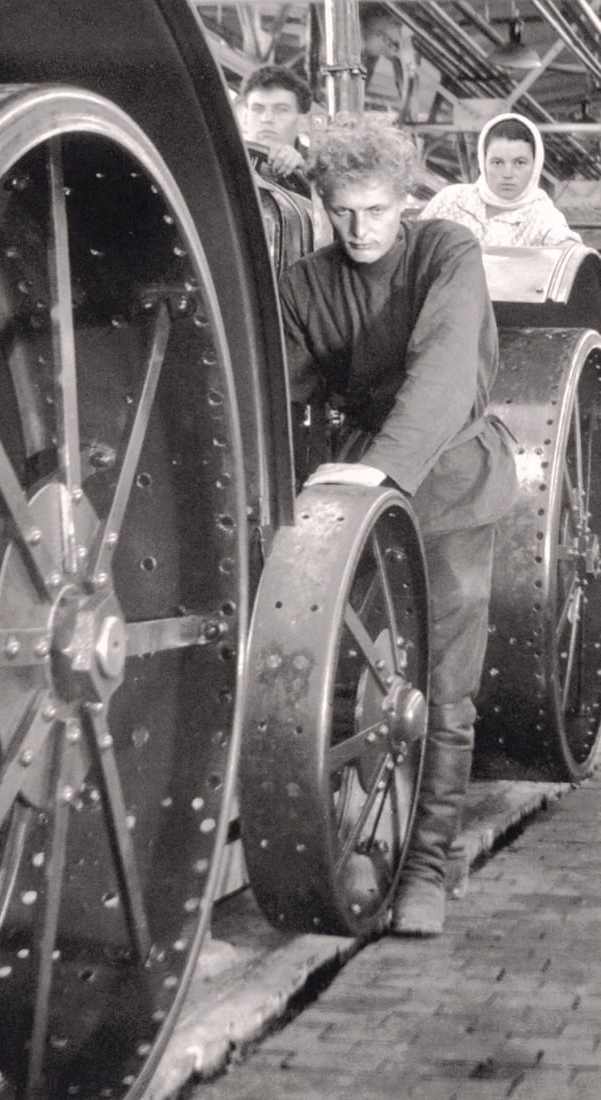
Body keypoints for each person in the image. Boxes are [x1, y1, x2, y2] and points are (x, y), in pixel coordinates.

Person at [279, 116, 518, 936]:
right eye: (342, 211)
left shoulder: (444, 250)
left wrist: (381, 471)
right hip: (357, 494)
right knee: (357, 681)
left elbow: (445, 370)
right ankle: (361, 836)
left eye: (377, 210)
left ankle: (426, 865)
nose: (360, 229)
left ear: (406, 199)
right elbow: (283, 394)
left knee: (444, 685)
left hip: (445, 478)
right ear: (321, 203)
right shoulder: (303, 284)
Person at [419, 112, 580, 247]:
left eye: (520, 163)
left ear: (535, 165)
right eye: (497, 162)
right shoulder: (451, 200)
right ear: (483, 162)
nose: (508, 173)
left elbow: (572, 258)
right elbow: (412, 247)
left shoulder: (543, 219)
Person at [238, 64, 312, 193]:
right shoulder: (222, 160)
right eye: (258, 109)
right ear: (244, 118)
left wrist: (305, 175)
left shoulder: (317, 170)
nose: (266, 118)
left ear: (302, 123)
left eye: (281, 110)